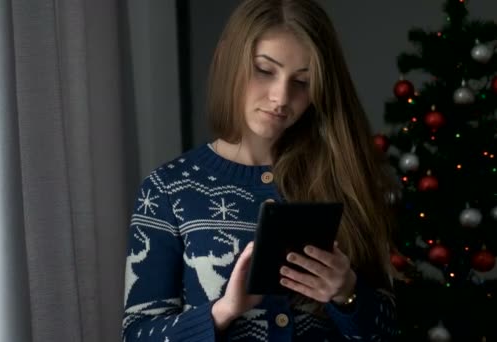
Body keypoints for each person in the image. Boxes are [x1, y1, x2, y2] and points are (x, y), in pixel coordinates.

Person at [122, 0, 398, 341]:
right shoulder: (167, 188)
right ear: (227, 59)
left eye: (302, 82)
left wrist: (347, 293)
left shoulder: (345, 178)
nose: (281, 97)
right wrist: (224, 310)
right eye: (265, 70)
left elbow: (390, 329)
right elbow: (138, 335)